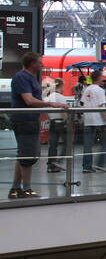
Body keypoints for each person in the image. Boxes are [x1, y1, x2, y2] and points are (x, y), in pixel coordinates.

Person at [8, 53, 58, 197]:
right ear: (32, 63)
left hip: (30, 119)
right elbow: (29, 100)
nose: (42, 65)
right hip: (25, 120)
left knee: (24, 154)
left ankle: (16, 188)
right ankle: (26, 188)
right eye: (40, 63)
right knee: (28, 155)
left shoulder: (30, 78)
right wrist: (50, 103)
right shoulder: (22, 77)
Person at [80, 69, 106, 173]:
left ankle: (86, 166)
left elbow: (83, 103)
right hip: (99, 120)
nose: (103, 79)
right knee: (105, 143)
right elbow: (101, 106)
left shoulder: (87, 89)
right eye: (102, 77)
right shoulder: (100, 90)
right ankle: (100, 164)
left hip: (88, 119)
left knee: (88, 144)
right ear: (98, 78)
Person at [43, 78, 70, 173]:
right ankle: (59, 161)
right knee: (68, 143)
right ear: (61, 86)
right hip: (61, 123)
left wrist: (50, 118)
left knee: (53, 145)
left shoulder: (49, 97)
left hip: (52, 122)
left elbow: (45, 111)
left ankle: (51, 165)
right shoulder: (61, 97)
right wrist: (67, 122)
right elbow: (63, 112)